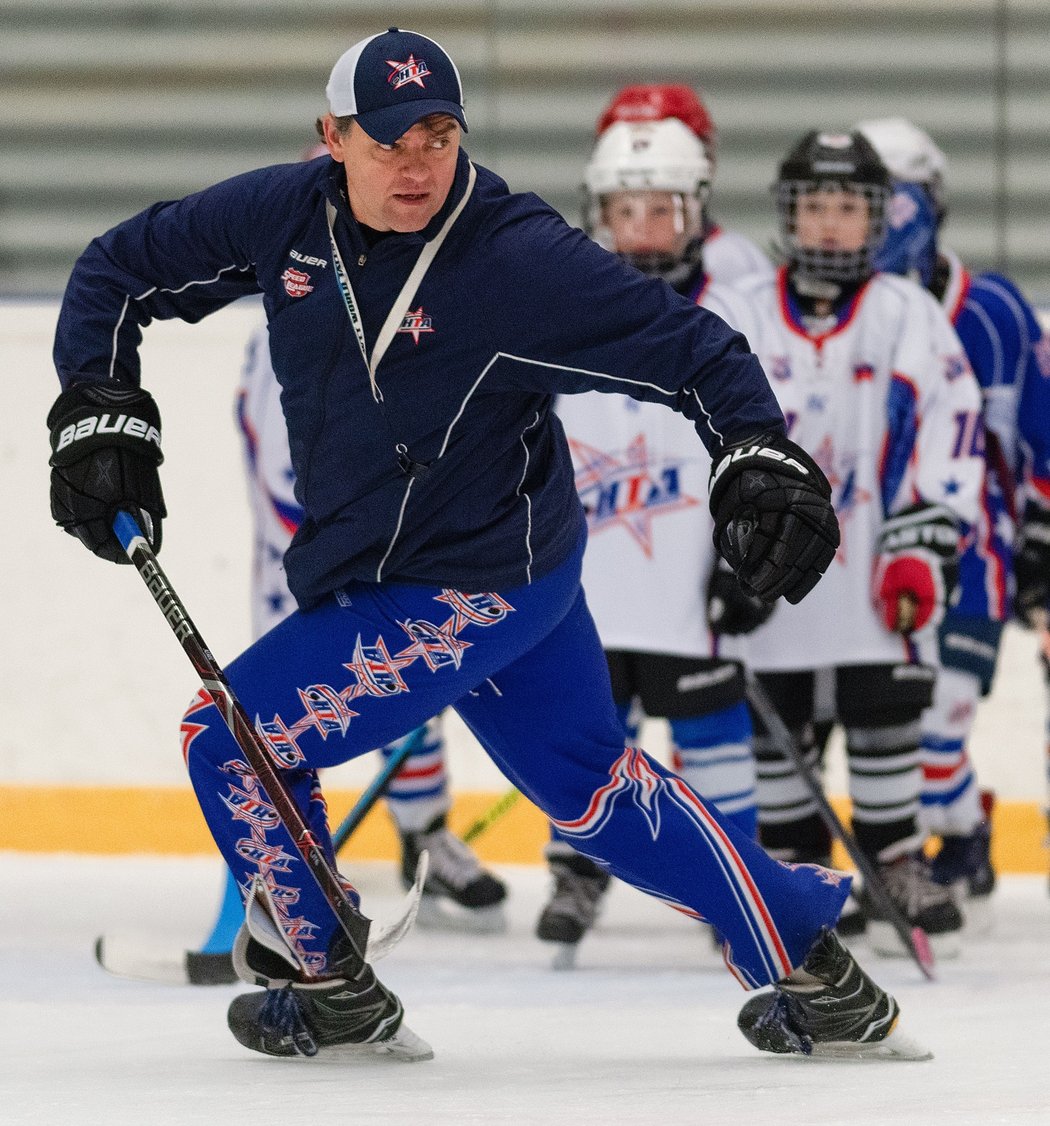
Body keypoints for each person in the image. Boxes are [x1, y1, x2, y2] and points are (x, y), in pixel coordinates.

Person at [46, 28, 922, 1063]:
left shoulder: (514, 260)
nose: (417, 165)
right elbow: (118, 268)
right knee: (591, 789)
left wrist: (755, 450)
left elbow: (694, 349)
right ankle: (820, 971)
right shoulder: (280, 215)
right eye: (388, 141)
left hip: (469, 586)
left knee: (233, 738)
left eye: (438, 136)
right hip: (509, 567)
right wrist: (100, 406)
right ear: (331, 139)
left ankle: (329, 985)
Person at [732, 129, 985, 959]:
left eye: (849, 206)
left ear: (878, 218)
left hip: (876, 566)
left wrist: (920, 545)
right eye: (816, 205)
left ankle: (893, 861)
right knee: (780, 727)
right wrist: (725, 550)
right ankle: (795, 870)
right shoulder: (744, 309)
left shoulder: (905, 314)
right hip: (777, 574)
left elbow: (952, 432)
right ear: (789, 213)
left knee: (886, 715)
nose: (831, 223)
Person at [536, 102, 773, 957]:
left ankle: (741, 882)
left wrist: (747, 557)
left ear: (699, 207)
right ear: (598, 212)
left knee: (712, 736)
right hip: (585, 582)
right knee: (587, 738)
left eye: (662, 209)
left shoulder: (742, 309)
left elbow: (770, 438)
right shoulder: (559, 306)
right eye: (625, 211)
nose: (642, 232)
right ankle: (577, 871)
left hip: (690, 579)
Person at [236, 312, 508, 930]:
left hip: (397, 551)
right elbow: (277, 466)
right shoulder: (291, 327)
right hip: (309, 567)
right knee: (287, 719)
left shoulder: (417, 306)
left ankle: (425, 837)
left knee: (402, 689)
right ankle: (281, 875)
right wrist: (350, 549)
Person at [856, 116, 1050, 923]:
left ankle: (956, 834)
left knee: (938, 727)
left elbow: (1037, 431)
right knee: (897, 730)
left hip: (976, 556)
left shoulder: (997, 311)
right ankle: (966, 829)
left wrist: (1039, 534)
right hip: (872, 553)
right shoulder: (845, 313)